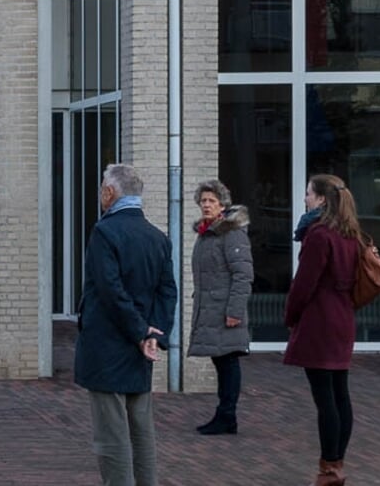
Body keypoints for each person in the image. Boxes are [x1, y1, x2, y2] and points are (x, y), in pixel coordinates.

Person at [73, 163, 177, 486]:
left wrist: (141, 331)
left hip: (108, 346)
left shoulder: (105, 232)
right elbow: (167, 290)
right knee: (141, 430)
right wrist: (153, 333)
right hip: (140, 350)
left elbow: (110, 290)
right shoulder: (157, 237)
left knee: (112, 435)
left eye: (102, 186)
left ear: (109, 193)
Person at [284, 174, 361, 486]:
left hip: (320, 321)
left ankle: (329, 469)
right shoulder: (350, 234)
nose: (305, 199)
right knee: (340, 394)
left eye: (308, 194)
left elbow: (304, 284)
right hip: (343, 319)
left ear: (322, 200)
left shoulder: (318, 235)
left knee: (325, 399)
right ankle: (336, 463)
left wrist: (291, 316)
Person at [186, 178, 253, 435]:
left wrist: (234, 311)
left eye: (211, 201)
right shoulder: (207, 233)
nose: (206, 205)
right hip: (211, 309)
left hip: (225, 311)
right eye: (203, 200)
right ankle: (225, 414)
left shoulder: (231, 233)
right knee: (221, 361)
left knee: (228, 362)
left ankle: (227, 415)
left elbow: (242, 274)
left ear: (222, 204)